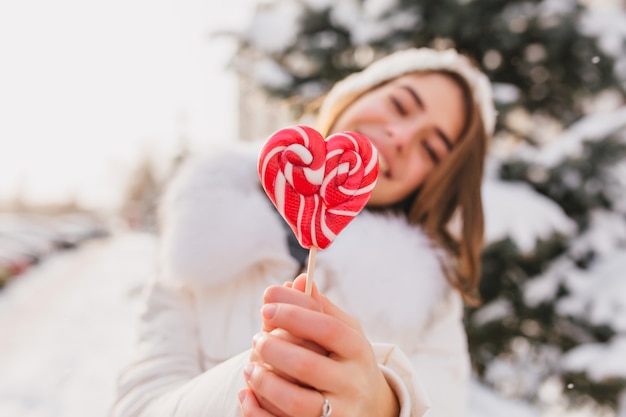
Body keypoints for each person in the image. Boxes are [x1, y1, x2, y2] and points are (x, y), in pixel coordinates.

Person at [109, 47, 496, 417]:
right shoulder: (200, 231)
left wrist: (384, 405)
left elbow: (444, 404)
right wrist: (250, 392)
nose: (401, 137)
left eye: (431, 148)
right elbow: (139, 406)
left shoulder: (431, 296)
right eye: (400, 105)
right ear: (357, 94)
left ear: (436, 180)